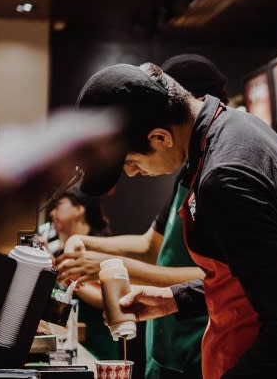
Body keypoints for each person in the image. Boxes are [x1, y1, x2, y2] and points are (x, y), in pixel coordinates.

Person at [75, 61, 277, 379]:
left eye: (132, 162)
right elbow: (255, 281)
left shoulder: (226, 176)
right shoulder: (233, 129)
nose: (133, 173)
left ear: (160, 138)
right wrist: (174, 299)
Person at [57, 55, 230, 379]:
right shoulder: (188, 175)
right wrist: (86, 243)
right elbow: (152, 245)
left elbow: (223, 279)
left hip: (200, 341)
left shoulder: (223, 174)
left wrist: (111, 267)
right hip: (167, 344)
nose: (132, 173)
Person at [41, 187, 120, 360]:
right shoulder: (59, 252)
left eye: (58, 205)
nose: (52, 213)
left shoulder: (100, 248)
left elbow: (109, 300)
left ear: (79, 209)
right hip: (67, 347)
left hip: (98, 347)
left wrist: (63, 274)